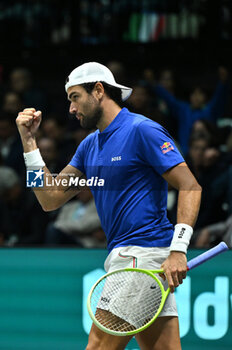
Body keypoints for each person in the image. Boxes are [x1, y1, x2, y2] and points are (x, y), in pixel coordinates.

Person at [16, 62, 202, 350]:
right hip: (131, 257)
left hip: (141, 257)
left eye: (75, 97)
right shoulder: (90, 146)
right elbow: (49, 198)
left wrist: (179, 249)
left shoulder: (142, 130)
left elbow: (190, 186)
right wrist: (28, 142)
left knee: (99, 346)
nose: (71, 109)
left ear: (99, 90)